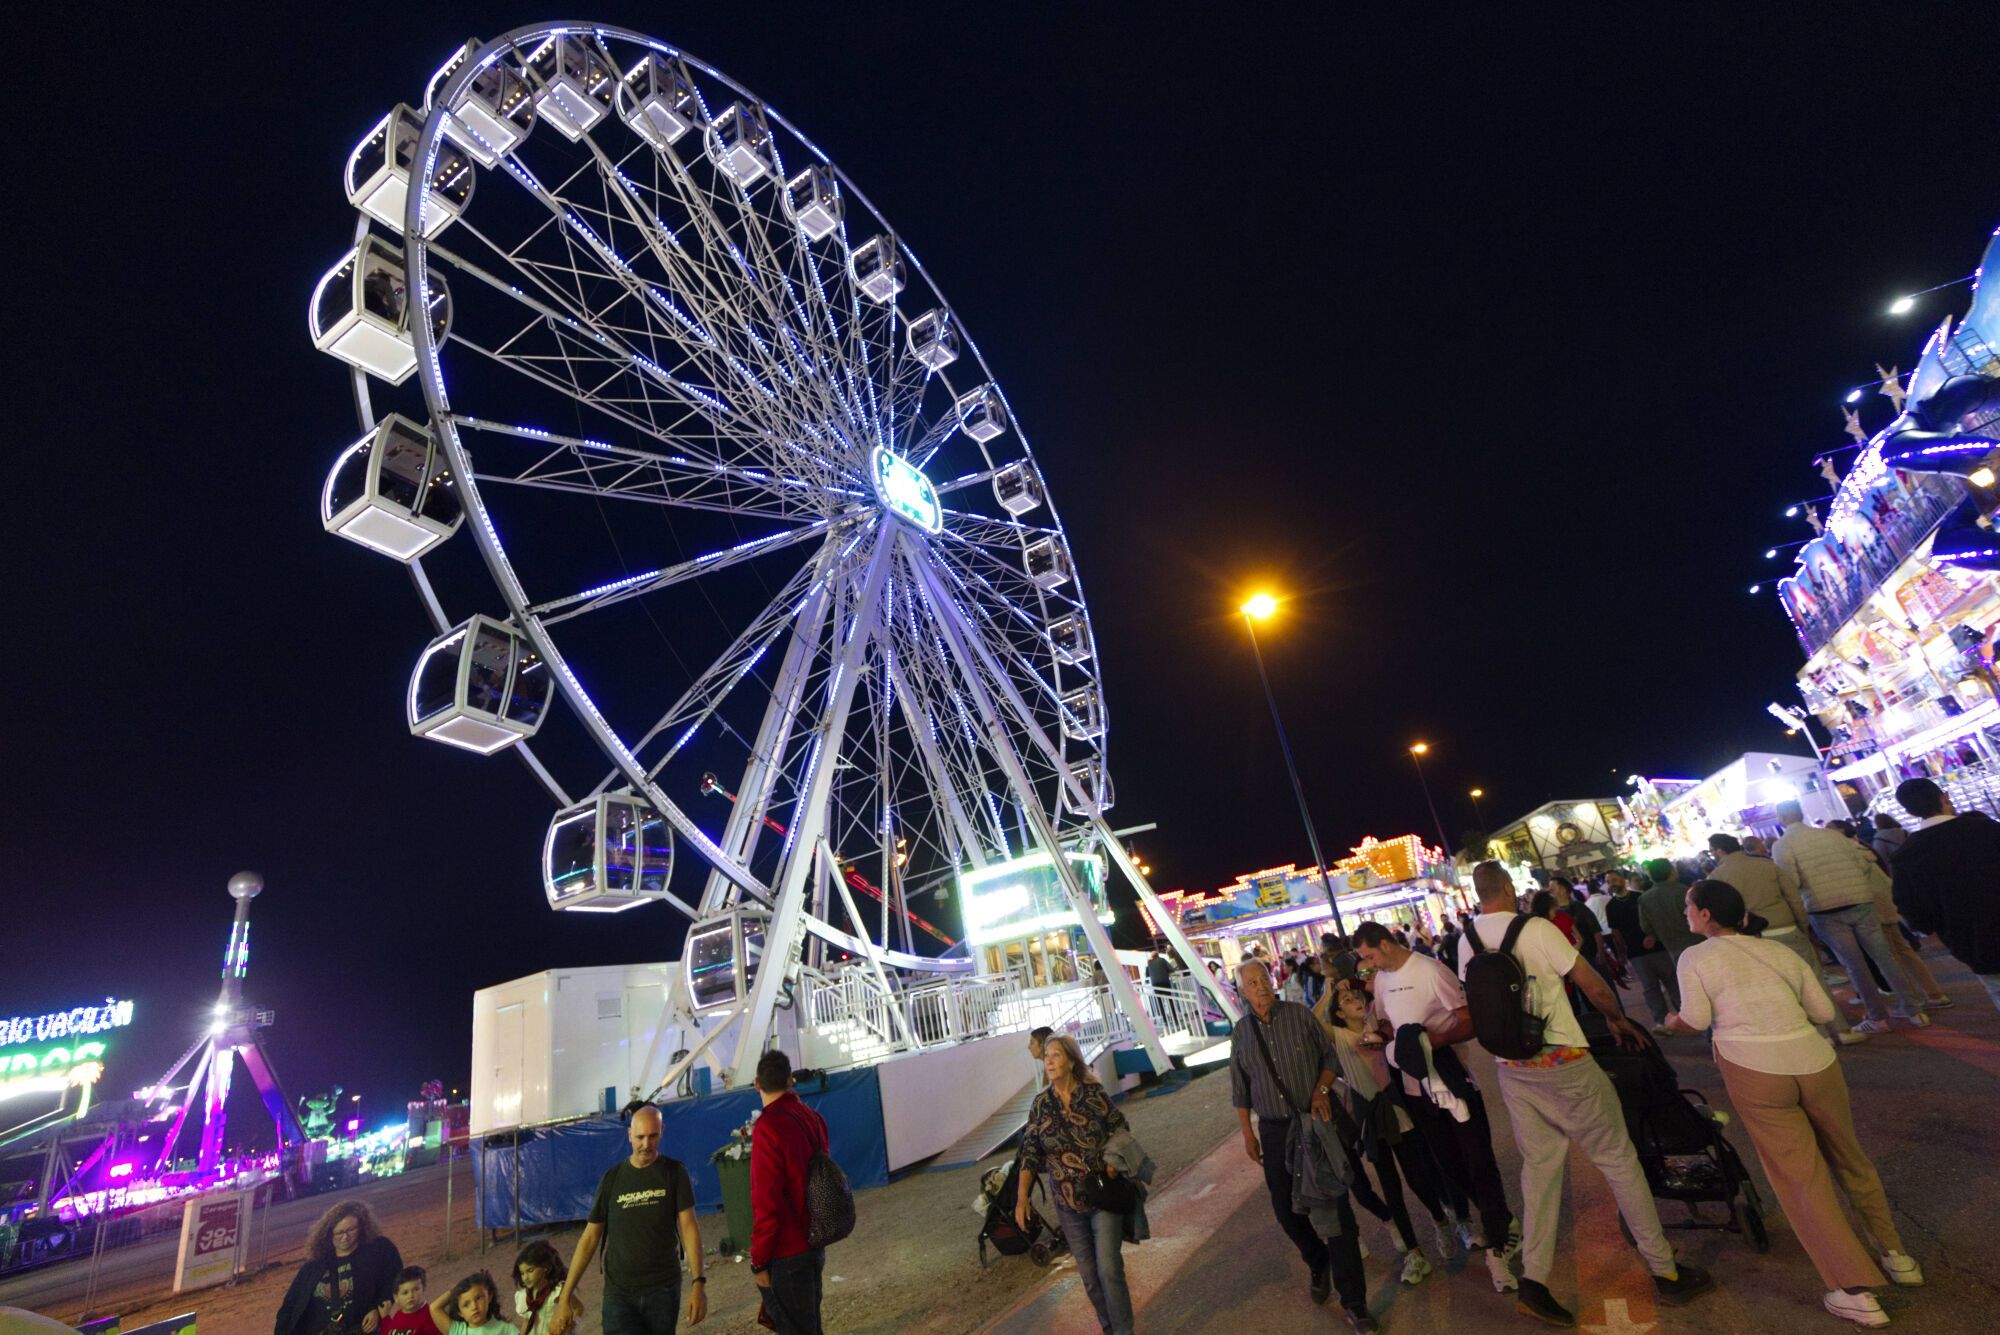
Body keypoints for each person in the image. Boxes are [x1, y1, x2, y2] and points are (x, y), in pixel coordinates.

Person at [1459, 861, 1714, 1326]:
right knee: (1618, 1160)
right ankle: (1666, 1271)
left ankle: (1534, 1281)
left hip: (1513, 1068)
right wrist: (1617, 1019)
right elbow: (1590, 982)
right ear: (1509, 888)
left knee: (1540, 1172)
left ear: (1477, 893)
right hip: (1562, 1062)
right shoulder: (1534, 928)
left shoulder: (1466, 939)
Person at [1662, 880, 1923, 1328]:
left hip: (1754, 1067)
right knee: (1851, 1158)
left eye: (1689, 907)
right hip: (1815, 1061)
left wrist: (1672, 1023)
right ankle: (1897, 1255)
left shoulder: (1695, 957)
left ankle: (1854, 1290)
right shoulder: (1781, 952)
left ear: (1706, 915)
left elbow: (1698, 1019)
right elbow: (1823, 1012)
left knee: (1800, 1178)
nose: (1687, 913)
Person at [1352, 922, 1516, 1294]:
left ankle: (1498, 1245)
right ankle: (1501, 1220)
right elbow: (1388, 1023)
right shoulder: (1381, 981)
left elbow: (1469, 1019)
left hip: (1452, 1080)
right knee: (1449, 1164)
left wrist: (1431, 1042)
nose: (1369, 965)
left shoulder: (1430, 970)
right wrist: (1382, 1036)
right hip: (1413, 1088)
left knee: (1478, 1160)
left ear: (1386, 944)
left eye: (1370, 956)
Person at [1228, 959, 1376, 1332]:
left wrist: (1321, 1089)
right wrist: (1247, 1133)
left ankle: (1355, 1303)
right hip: (1275, 1132)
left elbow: (1329, 1057)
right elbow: (1240, 1088)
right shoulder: (1242, 1032)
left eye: (1264, 979)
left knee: (1335, 1210)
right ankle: (1317, 1259)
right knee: (1285, 1210)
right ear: (1243, 992)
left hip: (1315, 1123)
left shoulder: (1298, 1016)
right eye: (1252, 983)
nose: (1261, 987)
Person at [1317, 974, 1455, 1286]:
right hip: (1369, 1117)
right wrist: (1328, 992)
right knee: (1390, 1187)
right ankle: (1415, 1253)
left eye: (1357, 999)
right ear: (1339, 1013)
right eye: (1348, 1002)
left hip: (1394, 1109)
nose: (1356, 1003)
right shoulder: (1338, 1035)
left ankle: (1440, 1219)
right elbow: (1314, 1021)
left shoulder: (1377, 1024)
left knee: (1416, 1176)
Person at [1773, 801, 1931, 1033]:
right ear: (1801, 813)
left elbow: (1791, 882)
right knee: (1884, 956)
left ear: (1781, 818)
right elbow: (1861, 863)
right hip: (1860, 900)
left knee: (1855, 965)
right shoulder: (1832, 836)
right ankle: (1915, 1010)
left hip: (1824, 908)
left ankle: (1877, 1017)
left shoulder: (1783, 845)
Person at [1017, 1033, 1136, 1334]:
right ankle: (1110, 1328)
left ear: (1071, 1061)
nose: (1049, 1061)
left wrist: (1112, 1160)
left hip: (1102, 1195)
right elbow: (1029, 1154)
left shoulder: (1093, 1094)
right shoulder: (1040, 1105)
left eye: (1056, 1055)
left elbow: (1120, 1126)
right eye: (1046, 1056)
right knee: (1090, 1278)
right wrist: (1021, 1199)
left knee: (1109, 1269)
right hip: (1067, 1207)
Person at [552, 1105, 706, 1335]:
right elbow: (589, 1238)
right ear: (629, 1136)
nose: (646, 1144)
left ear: (662, 1130)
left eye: (653, 1136)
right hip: (619, 1294)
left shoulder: (674, 1173)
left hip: (662, 1289)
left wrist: (698, 1283)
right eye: (640, 1137)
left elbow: (689, 1227)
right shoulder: (612, 1179)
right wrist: (565, 1298)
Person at [1706, 832, 1862, 1045]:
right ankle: (1841, 1029)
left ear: (1720, 851)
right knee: (1814, 979)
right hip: (1785, 926)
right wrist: (1802, 924)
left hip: (1755, 936)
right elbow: (1793, 897)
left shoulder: (1716, 878)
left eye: (1712, 851)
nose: (1712, 855)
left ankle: (1821, 1036)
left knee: (1786, 987)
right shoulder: (1766, 865)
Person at [1890, 777, 2000, 1012]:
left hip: (1970, 939)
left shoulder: (1906, 855)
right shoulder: (1985, 829)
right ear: (1944, 798)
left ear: (1909, 811)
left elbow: (1909, 906)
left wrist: (1934, 927)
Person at [751, 1050, 830, 1335]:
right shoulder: (812, 1117)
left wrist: (758, 1260)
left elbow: (766, 1202)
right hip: (814, 1240)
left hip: (786, 1251)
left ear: (757, 1083)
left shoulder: (767, 1128)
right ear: (789, 1080)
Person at [275, 1200, 405, 1335]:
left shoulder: (379, 1249)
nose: (345, 1237)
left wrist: (376, 1310)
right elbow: (289, 1306)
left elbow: (393, 1279)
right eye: (339, 1233)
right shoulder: (313, 1267)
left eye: (351, 1230)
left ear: (361, 1227)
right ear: (328, 1234)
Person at [1605, 872, 1674, 1027]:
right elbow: (1616, 933)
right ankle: (1661, 1022)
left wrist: (1654, 936)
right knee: (1650, 987)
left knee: (1672, 982)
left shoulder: (1640, 898)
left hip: (1657, 947)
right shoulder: (1611, 907)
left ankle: (1685, 1016)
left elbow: (1656, 920)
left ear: (1623, 880)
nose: (1612, 884)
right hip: (1635, 952)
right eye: (1608, 882)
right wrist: (1621, 954)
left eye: (1614, 880)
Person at [513, 1241, 576, 1335]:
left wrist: (566, 1325)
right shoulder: (523, 1296)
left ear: (546, 1267)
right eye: (522, 1273)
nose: (525, 1277)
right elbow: (527, 1321)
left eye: (530, 1271)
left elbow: (578, 1309)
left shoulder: (558, 1292)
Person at [428, 1273, 513, 1335]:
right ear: (460, 1312)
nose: (474, 1307)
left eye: (478, 1298)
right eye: (466, 1305)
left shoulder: (505, 1328)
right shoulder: (458, 1331)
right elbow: (434, 1308)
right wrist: (454, 1291)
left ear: (489, 1296)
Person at [380, 1268, 438, 1335]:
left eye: (416, 1289)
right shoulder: (398, 1316)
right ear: (396, 1297)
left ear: (424, 1289)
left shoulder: (430, 1315)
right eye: (405, 1293)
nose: (410, 1296)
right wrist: (385, 1319)